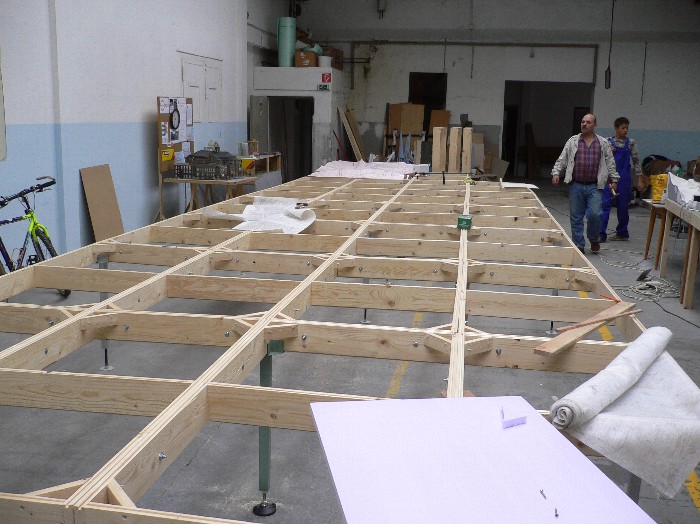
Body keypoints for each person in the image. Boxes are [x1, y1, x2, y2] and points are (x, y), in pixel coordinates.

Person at [552, 113, 619, 254]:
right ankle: (579, 244)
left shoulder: (602, 143)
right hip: (576, 184)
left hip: (595, 185)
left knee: (595, 214)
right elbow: (562, 159)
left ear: (595, 125)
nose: (584, 124)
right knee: (576, 216)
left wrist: (614, 179)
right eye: (583, 121)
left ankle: (593, 239)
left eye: (588, 122)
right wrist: (556, 173)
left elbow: (610, 162)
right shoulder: (573, 141)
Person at [599, 117, 643, 241]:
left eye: (627, 128)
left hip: (624, 180)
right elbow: (601, 160)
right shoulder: (607, 142)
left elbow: (636, 161)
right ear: (616, 128)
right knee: (605, 206)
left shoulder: (631, 143)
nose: (625, 130)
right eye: (623, 128)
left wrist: (640, 179)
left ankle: (622, 233)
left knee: (623, 207)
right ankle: (600, 234)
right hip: (609, 180)